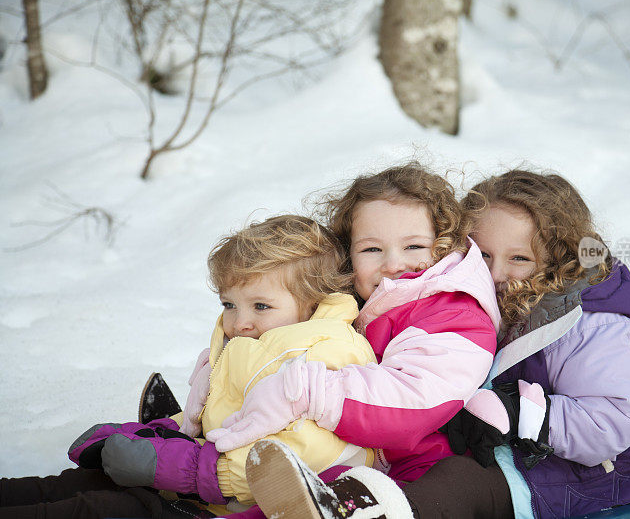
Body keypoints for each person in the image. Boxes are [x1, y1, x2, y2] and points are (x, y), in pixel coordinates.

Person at [242, 169, 630, 519]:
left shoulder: (589, 323)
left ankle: (372, 514)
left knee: (454, 485)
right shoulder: (473, 303)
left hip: (582, 472)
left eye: (519, 259)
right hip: (495, 449)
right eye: (485, 255)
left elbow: (614, 420)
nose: (497, 273)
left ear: (560, 257)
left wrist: (520, 412)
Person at [1, 215, 378, 518]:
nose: (239, 321)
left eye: (260, 306)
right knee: (74, 483)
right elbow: (218, 422)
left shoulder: (324, 354)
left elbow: (298, 460)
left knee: (99, 509)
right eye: (229, 304)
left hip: (231, 508)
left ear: (313, 303)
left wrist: (172, 466)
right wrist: (152, 437)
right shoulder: (250, 344)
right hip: (199, 489)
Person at [204, 162, 501, 519]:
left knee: (312, 499)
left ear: (443, 247)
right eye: (372, 250)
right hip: (344, 448)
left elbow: (411, 398)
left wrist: (305, 391)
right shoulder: (354, 300)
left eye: (414, 246)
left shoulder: (455, 315)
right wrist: (220, 373)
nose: (393, 264)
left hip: (416, 466)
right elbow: (282, 340)